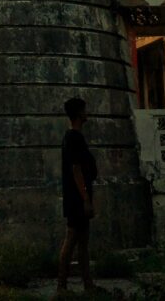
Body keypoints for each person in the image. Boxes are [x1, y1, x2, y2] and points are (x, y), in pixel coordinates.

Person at [57, 96, 98, 294]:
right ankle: (62, 286)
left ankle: (87, 284)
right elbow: (76, 170)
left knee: (82, 243)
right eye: (84, 109)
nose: (87, 112)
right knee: (72, 240)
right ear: (79, 114)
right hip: (77, 199)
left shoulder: (72, 137)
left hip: (78, 197)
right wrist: (86, 199)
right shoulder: (74, 137)